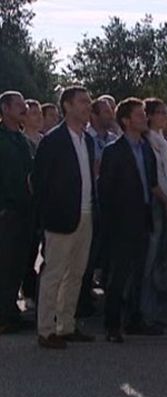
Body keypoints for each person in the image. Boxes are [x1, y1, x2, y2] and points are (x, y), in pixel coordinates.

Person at [32, 86, 96, 349]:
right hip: (61, 218)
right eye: (82, 102)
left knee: (77, 274)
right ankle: (46, 330)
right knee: (53, 274)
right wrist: (47, 216)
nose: (87, 106)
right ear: (67, 106)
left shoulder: (88, 140)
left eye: (89, 102)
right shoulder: (53, 140)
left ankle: (66, 325)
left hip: (87, 215)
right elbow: (39, 182)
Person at [98, 97, 159, 343]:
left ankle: (134, 319)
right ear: (126, 121)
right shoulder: (113, 151)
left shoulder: (146, 149)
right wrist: (111, 224)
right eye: (139, 114)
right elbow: (106, 190)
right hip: (122, 222)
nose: (144, 118)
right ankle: (112, 324)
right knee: (119, 275)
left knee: (140, 273)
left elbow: (152, 182)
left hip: (143, 218)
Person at [76, 97, 118, 318]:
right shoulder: (87, 138)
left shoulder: (112, 139)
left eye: (111, 110)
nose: (110, 114)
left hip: (108, 205)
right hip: (90, 203)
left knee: (101, 252)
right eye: (105, 111)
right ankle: (80, 298)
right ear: (94, 116)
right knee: (86, 255)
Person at [0, 91, 35, 335]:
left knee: (17, 265)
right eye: (19, 105)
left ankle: (10, 311)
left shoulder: (22, 141)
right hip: (7, 212)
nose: (24, 108)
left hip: (25, 212)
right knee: (5, 265)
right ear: (5, 109)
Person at [141, 97, 167, 332]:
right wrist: (165, 201)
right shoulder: (147, 143)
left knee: (158, 259)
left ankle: (152, 310)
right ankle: (144, 312)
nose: (166, 116)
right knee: (148, 259)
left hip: (166, 202)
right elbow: (152, 178)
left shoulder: (164, 142)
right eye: (161, 113)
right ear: (150, 116)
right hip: (155, 203)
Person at [20, 99, 45, 308]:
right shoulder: (22, 142)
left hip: (44, 203)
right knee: (27, 251)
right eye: (33, 113)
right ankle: (27, 291)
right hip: (26, 204)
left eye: (39, 113)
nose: (38, 117)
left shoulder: (45, 140)